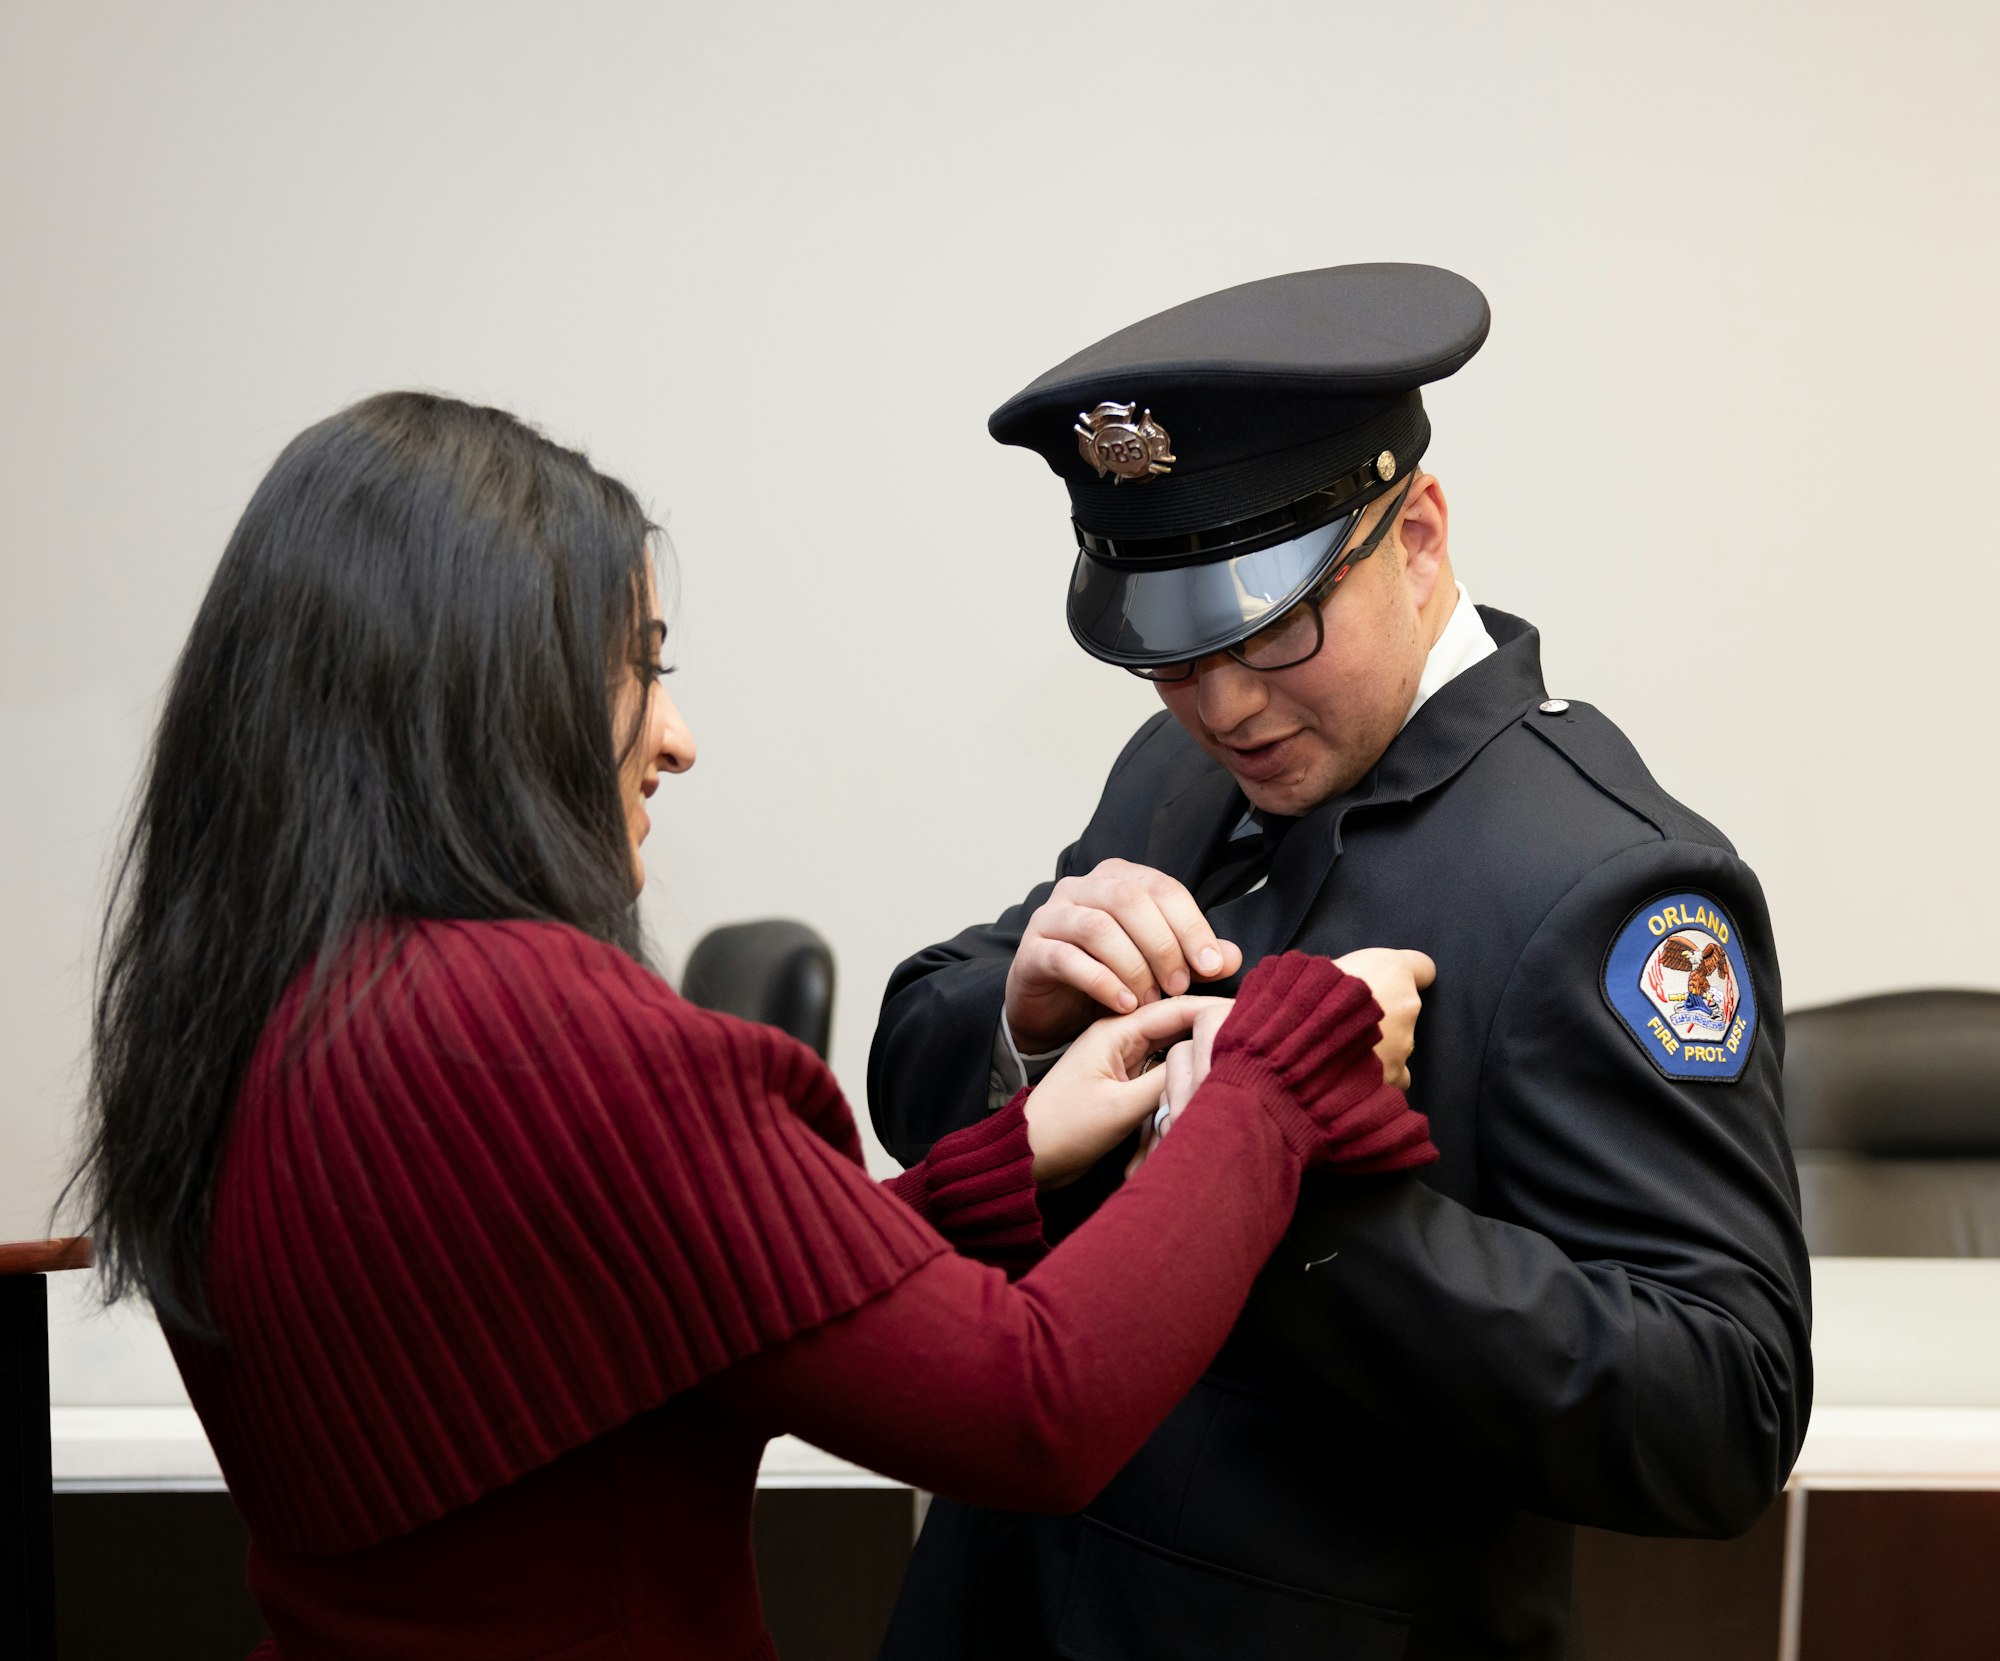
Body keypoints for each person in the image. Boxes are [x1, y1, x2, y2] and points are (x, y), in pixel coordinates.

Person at [63, 390, 1441, 1660]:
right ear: (487, 698)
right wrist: (1274, 1065)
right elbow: (1035, 1407)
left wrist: (1012, 1155)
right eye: (637, 668)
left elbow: (677, 1305)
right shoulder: (537, 1031)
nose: (676, 736)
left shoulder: (273, 999)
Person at [869, 265, 1813, 1660]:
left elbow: (1722, 1406)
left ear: (1419, 534)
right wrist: (1018, 1025)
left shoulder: (1607, 882)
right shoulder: (1181, 770)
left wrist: (1287, 1196)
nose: (1226, 702)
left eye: (1272, 629)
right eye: (1173, 659)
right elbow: (916, 1063)